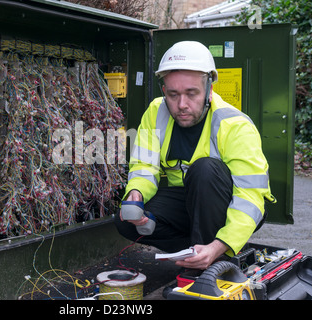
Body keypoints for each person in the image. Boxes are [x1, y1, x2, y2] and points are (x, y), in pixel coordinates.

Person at [114, 41, 276, 270]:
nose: (182, 105)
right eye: (173, 95)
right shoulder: (155, 112)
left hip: (225, 204)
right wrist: (136, 193)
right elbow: (144, 166)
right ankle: (194, 252)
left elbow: (250, 197)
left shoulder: (235, 125)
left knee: (204, 169)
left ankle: (216, 258)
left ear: (209, 89)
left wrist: (220, 244)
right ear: (164, 92)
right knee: (124, 222)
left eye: (192, 94)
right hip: (185, 202)